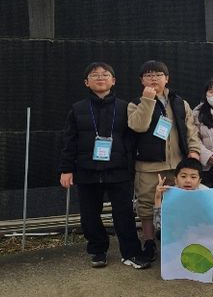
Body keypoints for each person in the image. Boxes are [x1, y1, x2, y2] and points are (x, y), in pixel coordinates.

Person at [59, 62, 149, 269]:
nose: (100, 77)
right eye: (95, 75)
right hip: (86, 170)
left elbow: (132, 139)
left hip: (119, 170)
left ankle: (131, 253)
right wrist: (66, 169)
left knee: (124, 214)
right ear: (86, 82)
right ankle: (98, 250)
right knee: (89, 215)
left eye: (105, 74)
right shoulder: (77, 109)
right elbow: (69, 141)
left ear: (113, 81)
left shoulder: (125, 107)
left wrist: (129, 165)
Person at [127, 60, 201, 262]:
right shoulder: (135, 103)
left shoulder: (180, 102)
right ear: (141, 80)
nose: (154, 79)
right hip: (148, 167)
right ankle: (149, 242)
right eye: (148, 75)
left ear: (167, 78)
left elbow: (190, 130)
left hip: (177, 166)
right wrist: (148, 100)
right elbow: (138, 126)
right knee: (146, 206)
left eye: (158, 75)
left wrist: (194, 151)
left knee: (178, 205)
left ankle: (178, 241)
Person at [153, 158, 208, 231]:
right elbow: (159, 226)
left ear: (199, 181)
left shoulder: (207, 194)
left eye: (193, 177)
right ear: (176, 180)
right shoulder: (170, 196)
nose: (188, 180)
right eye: (183, 176)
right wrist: (158, 198)